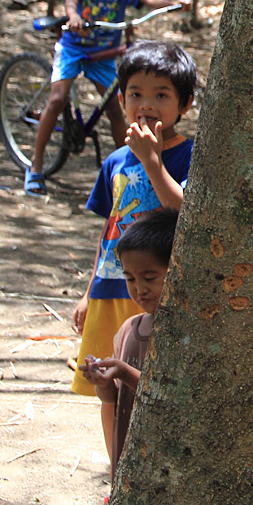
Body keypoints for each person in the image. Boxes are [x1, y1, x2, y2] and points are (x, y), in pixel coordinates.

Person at [70, 40, 195, 448]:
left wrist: (152, 162)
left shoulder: (191, 155)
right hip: (114, 288)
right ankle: (117, 468)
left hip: (160, 290)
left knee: (153, 384)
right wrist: (89, 294)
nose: (147, 104)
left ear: (185, 104)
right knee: (109, 387)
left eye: (162, 95)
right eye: (137, 94)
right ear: (121, 100)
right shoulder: (114, 162)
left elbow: (188, 216)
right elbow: (109, 232)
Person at [24, 0, 189, 196]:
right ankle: (36, 164)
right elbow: (71, 2)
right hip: (74, 48)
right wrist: (74, 17)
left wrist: (171, 4)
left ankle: (127, 168)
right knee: (56, 100)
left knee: (116, 109)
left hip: (104, 55)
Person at [79, 208, 176, 486]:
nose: (139, 289)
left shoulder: (185, 336)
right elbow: (112, 399)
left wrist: (123, 372)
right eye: (130, 278)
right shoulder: (127, 331)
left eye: (150, 277)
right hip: (130, 461)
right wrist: (101, 380)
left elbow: (167, 397)